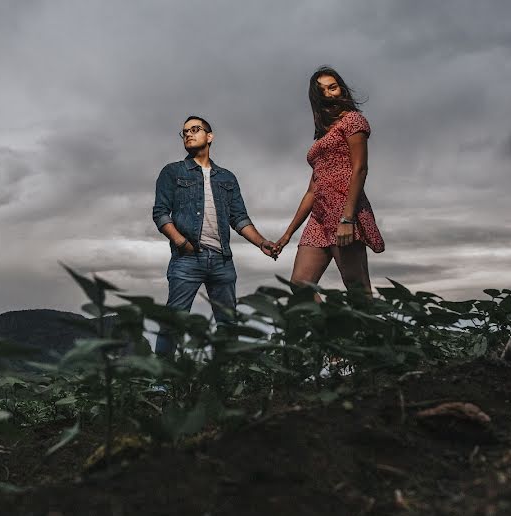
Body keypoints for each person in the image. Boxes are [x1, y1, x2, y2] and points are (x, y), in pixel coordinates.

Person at [152, 115, 276, 357]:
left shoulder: (227, 178)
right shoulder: (172, 172)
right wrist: (181, 242)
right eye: (184, 131)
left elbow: (239, 219)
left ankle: (224, 380)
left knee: (228, 324)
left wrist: (262, 243)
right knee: (174, 320)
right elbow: (160, 213)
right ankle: (161, 383)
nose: (188, 134)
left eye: (195, 129)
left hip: (222, 261)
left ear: (210, 137)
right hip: (186, 259)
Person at [273, 67, 385, 293]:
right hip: (319, 216)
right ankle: (331, 329)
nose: (329, 93)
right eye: (322, 91)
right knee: (300, 286)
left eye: (332, 87)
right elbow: (311, 191)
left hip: (345, 210)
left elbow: (360, 168)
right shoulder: (323, 135)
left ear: (341, 88)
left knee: (358, 290)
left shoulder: (353, 121)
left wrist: (347, 219)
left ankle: (371, 329)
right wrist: (287, 235)